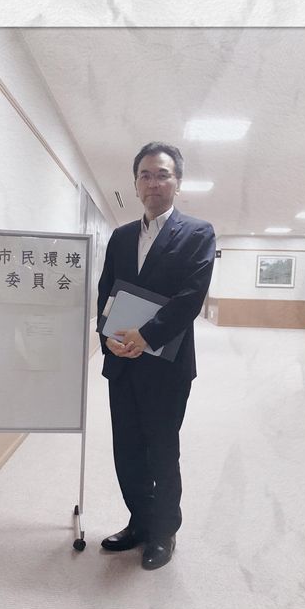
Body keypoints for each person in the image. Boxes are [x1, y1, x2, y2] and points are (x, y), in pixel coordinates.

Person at [97, 141, 215, 570]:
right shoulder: (121, 236)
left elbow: (190, 299)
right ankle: (140, 522)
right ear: (135, 183)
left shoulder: (198, 233)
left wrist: (145, 336)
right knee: (127, 450)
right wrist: (106, 336)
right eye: (145, 175)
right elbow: (106, 293)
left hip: (167, 363)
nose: (153, 182)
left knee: (161, 450)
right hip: (122, 362)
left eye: (162, 174)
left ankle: (163, 532)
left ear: (177, 182)